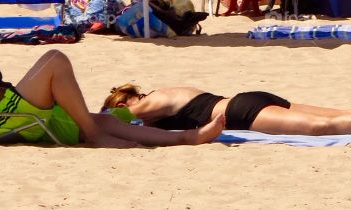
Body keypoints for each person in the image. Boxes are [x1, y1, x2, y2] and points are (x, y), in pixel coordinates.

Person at [0, 0, 224, 148]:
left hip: (12, 113)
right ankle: (93, 135)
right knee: (55, 58)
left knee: (105, 122)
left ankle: (186, 138)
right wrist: (26, 92)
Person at [103, 82, 351, 137]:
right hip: (246, 101)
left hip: (240, 113)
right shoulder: (166, 94)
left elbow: (114, 119)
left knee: (323, 127)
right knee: (333, 114)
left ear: (125, 103)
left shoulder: (150, 103)